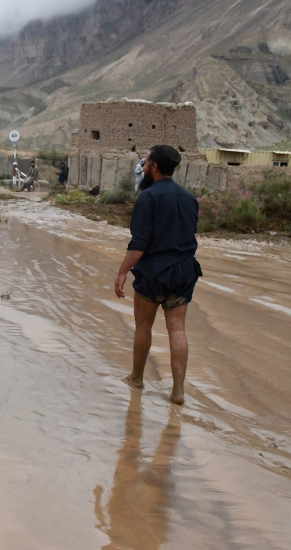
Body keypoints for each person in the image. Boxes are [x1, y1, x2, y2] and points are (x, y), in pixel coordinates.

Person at [113, 145, 201, 405]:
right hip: (184, 272)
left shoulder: (148, 197)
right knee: (177, 330)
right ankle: (178, 392)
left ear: (153, 166)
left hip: (153, 273)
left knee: (143, 326)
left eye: (146, 160)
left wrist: (122, 272)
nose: (142, 164)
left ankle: (137, 378)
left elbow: (139, 244)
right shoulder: (189, 198)